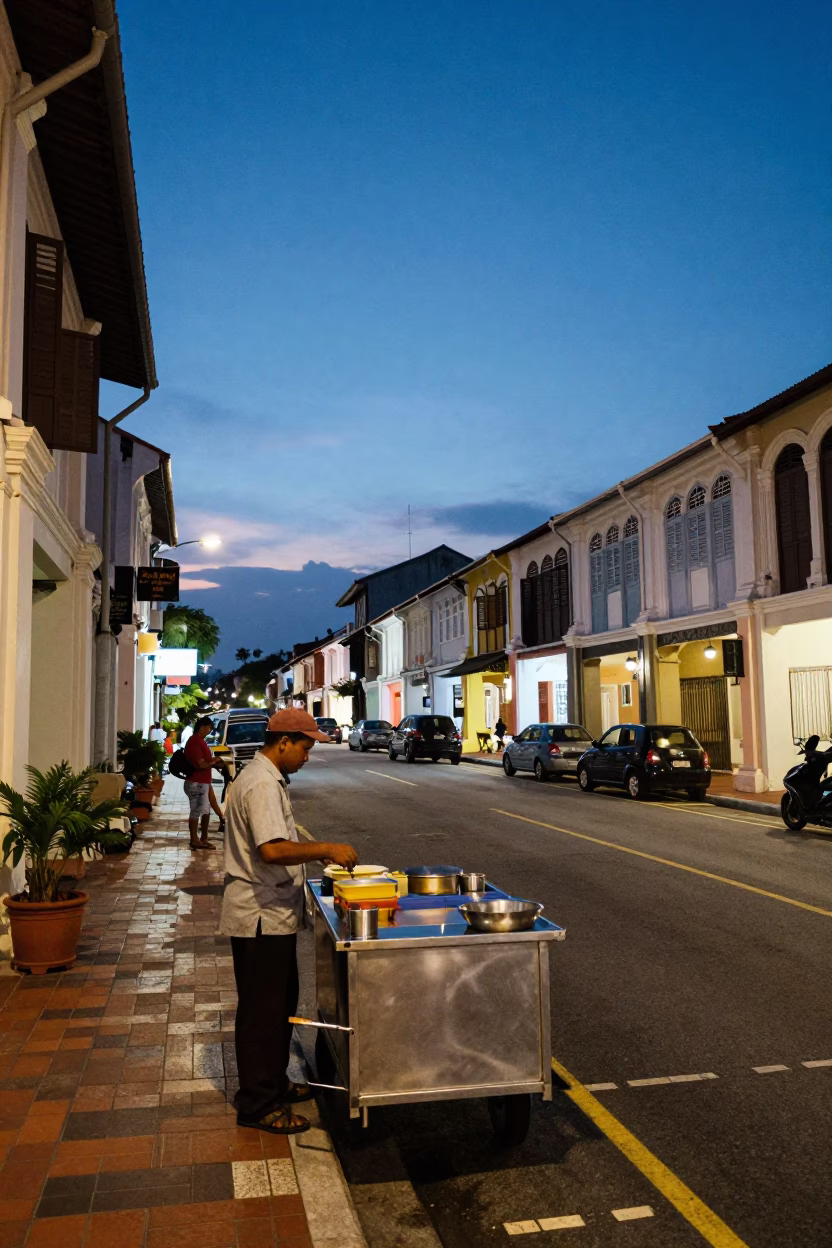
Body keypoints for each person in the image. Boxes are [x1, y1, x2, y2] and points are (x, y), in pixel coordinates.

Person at [219, 707, 358, 1135]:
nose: (307, 756)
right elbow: (273, 850)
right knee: (263, 1012)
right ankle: (257, 1104)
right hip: (260, 915)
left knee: (280, 1004)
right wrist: (326, 849)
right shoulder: (261, 783)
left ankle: (275, 1082)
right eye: (305, 747)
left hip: (272, 913)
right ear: (283, 742)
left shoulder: (265, 777)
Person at [184, 716, 226, 849]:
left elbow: (204, 763)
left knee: (206, 811)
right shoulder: (195, 741)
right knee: (196, 811)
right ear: (202, 727)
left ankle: (203, 838)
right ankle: (195, 839)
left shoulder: (199, 741)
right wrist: (216, 760)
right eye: (208, 728)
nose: (209, 730)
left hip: (203, 781)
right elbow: (200, 764)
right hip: (196, 782)